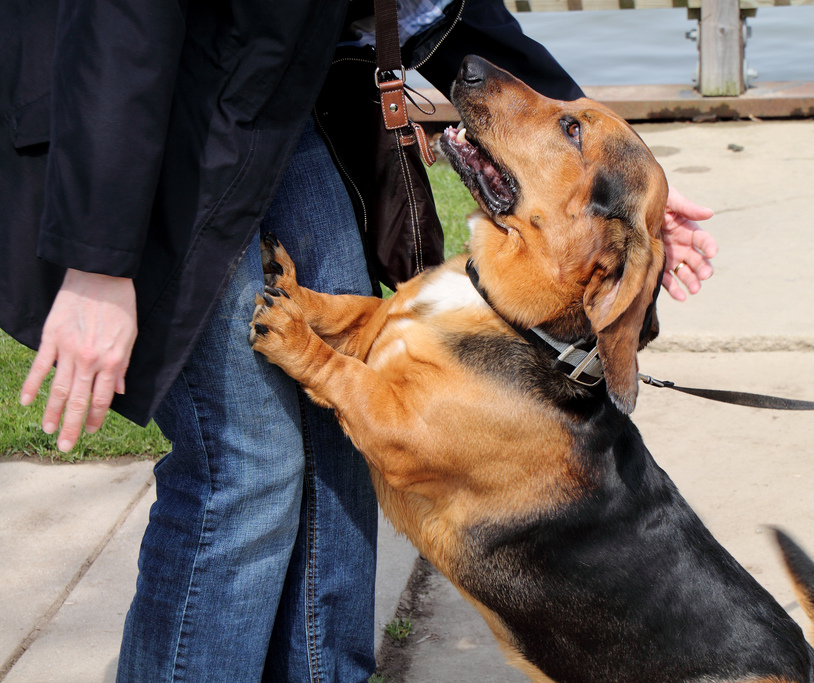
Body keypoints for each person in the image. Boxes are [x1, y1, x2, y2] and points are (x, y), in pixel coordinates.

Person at [0, 0, 716, 680]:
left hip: (269, 85)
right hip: (124, 108)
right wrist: (98, 259)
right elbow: (122, 24)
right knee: (247, 465)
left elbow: (432, 7)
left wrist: (629, 193)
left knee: (341, 406)